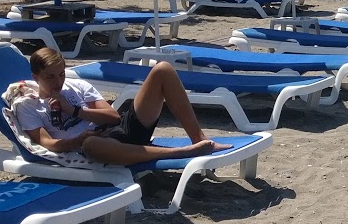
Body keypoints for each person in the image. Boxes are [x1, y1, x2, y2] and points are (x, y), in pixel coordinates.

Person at [13, 47, 229, 164]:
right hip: (96, 146)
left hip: (119, 130)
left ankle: (199, 139)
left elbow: (114, 116)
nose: (58, 81)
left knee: (162, 69)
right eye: (50, 77)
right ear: (35, 76)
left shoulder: (76, 86)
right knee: (91, 146)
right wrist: (79, 139)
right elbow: (46, 143)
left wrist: (75, 110)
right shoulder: (28, 106)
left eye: (61, 74)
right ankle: (178, 153)